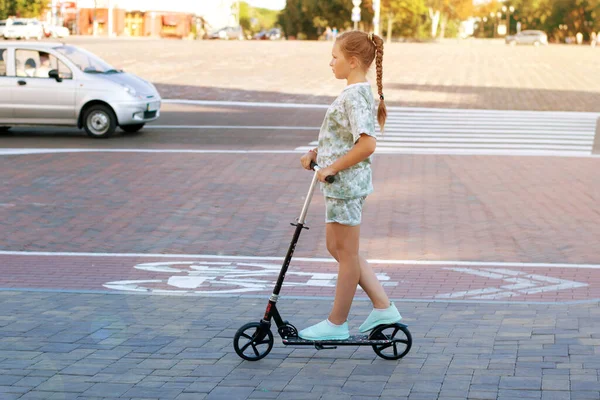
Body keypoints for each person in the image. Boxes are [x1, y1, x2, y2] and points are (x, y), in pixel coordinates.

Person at [298, 31, 401, 341]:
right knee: (339, 249)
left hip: (345, 185)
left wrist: (331, 167)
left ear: (353, 61)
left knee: (346, 254)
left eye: (335, 57)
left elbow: (367, 144)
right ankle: (382, 307)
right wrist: (319, 155)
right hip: (340, 185)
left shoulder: (355, 95)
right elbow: (344, 138)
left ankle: (336, 323)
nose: (330, 63)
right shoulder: (353, 93)